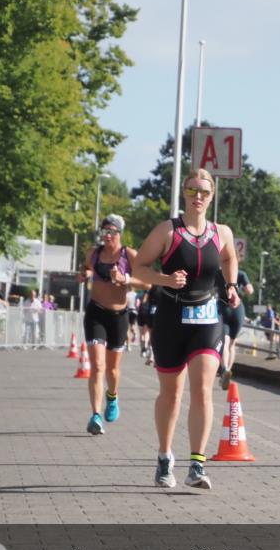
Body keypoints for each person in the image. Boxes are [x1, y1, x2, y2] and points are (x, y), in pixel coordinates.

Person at [132, 168, 241, 490]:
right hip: (171, 317)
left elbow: (229, 258)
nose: (198, 197)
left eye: (204, 192)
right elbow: (139, 266)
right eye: (192, 190)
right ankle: (165, 456)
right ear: (184, 193)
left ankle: (197, 464)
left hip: (207, 317)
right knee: (171, 393)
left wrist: (231, 285)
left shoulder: (222, 232)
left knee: (203, 388)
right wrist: (165, 279)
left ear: (212, 196)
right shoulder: (168, 230)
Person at [79, 214, 139, 435]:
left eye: (112, 232)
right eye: (104, 232)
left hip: (118, 317)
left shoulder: (129, 255)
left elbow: (148, 282)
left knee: (112, 370)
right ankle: (96, 415)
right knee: (97, 366)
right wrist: (84, 274)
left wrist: (125, 279)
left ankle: (112, 397)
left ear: (120, 233)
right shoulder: (93, 253)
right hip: (96, 314)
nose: (107, 236)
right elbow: (85, 268)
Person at [216, 267, 254, 389]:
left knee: (225, 342)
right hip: (237, 309)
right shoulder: (241, 274)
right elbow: (250, 290)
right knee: (232, 344)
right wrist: (240, 289)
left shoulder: (217, 273)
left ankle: (224, 369)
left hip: (222, 307)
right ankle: (228, 370)